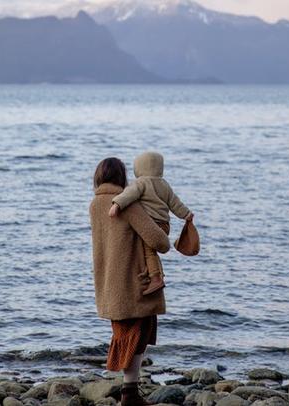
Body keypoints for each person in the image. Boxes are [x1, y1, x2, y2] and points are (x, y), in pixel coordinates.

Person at [90, 157, 170, 406]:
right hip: (134, 284)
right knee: (137, 336)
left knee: (126, 336)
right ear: (122, 177)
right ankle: (129, 395)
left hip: (108, 284)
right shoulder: (128, 205)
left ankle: (130, 393)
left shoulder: (94, 204)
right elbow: (160, 242)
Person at [108, 151, 193, 295]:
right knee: (152, 252)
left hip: (151, 225)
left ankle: (155, 279)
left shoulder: (141, 183)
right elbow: (175, 203)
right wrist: (186, 214)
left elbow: (128, 195)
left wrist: (116, 204)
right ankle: (157, 275)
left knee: (148, 251)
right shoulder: (164, 185)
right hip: (164, 225)